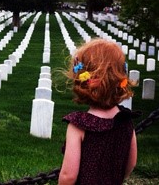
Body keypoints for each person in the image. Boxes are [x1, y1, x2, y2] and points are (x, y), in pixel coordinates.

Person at [58, 39, 140, 185]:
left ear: (81, 80)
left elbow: (68, 176)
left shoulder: (79, 125)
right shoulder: (126, 120)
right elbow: (131, 163)